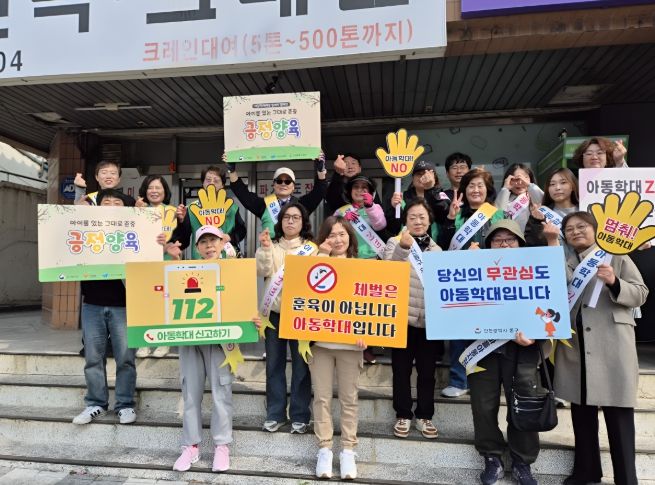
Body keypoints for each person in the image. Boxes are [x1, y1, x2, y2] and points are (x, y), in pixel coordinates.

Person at [555, 212, 648, 485]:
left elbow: (641, 293)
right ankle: (586, 471)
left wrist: (614, 282)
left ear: (595, 230)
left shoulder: (616, 256)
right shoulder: (565, 262)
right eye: (569, 229)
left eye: (581, 226)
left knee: (618, 414)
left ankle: (626, 478)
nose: (575, 232)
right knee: (581, 413)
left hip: (611, 345)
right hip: (576, 347)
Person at [169, 225, 261, 473]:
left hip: (222, 341)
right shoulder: (184, 270)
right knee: (190, 393)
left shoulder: (234, 271)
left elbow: (245, 303)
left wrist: (252, 319)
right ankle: (191, 446)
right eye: (204, 242)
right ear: (197, 247)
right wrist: (171, 259)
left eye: (214, 240)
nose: (209, 246)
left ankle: (222, 446)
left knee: (221, 393)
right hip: (190, 340)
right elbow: (165, 296)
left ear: (223, 243)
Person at [468, 219, 554, 485]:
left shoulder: (535, 269)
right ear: (489, 245)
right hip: (484, 351)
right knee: (482, 405)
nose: (504, 244)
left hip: (522, 350)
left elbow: (550, 305)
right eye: (497, 240)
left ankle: (522, 461)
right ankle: (491, 456)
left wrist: (537, 335)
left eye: (510, 239)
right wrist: (467, 263)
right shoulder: (475, 269)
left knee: (524, 403)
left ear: (520, 243)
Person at [438, 168, 505, 398]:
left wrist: (484, 255)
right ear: (464, 190)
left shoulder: (499, 215)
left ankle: (487, 381)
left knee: (488, 331)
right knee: (459, 332)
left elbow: (508, 244)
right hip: (460, 283)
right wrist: (450, 218)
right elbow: (442, 245)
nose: (475, 190)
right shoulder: (457, 213)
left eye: (480, 185)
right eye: (471, 186)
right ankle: (459, 380)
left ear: (488, 190)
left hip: (491, 281)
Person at [72, 188, 137, 427]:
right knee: (93, 357)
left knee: (126, 358)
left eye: (117, 202)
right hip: (92, 303)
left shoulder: (134, 231)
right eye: (106, 202)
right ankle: (95, 403)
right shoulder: (86, 230)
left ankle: (125, 404)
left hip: (124, 304)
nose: (111, 205)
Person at [311, 216, 367, 480]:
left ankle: (347, 451)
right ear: (324, 238)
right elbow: (302, 292)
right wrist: (320, 256)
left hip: (351, 346)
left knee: (349, 399)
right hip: (320, 344)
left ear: (350, 238)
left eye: (342, 234)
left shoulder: (361, 267)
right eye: (332, 234)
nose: (337, 240)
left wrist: (369, 333)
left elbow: (371, 306)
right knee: (321, 398)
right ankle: (324, 449)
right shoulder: (313, 263)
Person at [255, 202, 317, 434]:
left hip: (301, 315)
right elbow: (262, 271)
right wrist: (264, 249)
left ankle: (300, 415)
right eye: (286, 217)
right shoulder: (270, 246)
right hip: (274, 314)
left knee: (302, 366)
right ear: (280, 221)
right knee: (274, 365)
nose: (290, 221)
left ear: (303, 222)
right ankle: (275, 413)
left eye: (296, 217)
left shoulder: (312, 249)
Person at [383, 199, 442, 440]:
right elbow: (387, 273)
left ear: (429, 220)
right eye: (413, 217)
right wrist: (403, 249)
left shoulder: (437, 250)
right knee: (401, 370)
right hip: (403, 320)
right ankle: (403, 414)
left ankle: (425, 415)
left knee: (428, 372)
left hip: (429, 322)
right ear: (405, 221)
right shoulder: (395, 242)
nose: (418, 221)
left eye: (422, 217)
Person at [135, 175, 179, 358]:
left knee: (165, 303)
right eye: (150, 188)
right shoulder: (137, 210)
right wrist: (136, 213)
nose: (154, 191)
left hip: (166, 263)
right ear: (145, 191)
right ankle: (143, 342)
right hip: (143, 265)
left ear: (165, 191)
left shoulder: (173, 211)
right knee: (144, 302)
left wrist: (170, 246)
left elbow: (182, 237)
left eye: (158, 188)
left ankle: (164, 342)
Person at [227, 157, 328, 234]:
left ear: (293, 186)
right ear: (274, 185)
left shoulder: (301, 205)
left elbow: (319, 191)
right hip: (270, 251)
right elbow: (243, 194)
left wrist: (321, 171)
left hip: (294, 251)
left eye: (287, 181)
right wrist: (231, 171)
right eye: (279, 181)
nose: (283, 184)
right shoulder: (264, 204)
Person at [168, 165, 246, 258]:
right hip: (201, 262)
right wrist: (181, 222)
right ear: (203, 183)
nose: (212, 183)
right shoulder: (192, 209)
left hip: (228, 259)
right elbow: (182, 242)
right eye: (208, 180)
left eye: (216, 181)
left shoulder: (231, 207)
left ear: (222, 185)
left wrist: (229, 237)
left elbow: (242, 231)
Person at [386, 160, 450, 238]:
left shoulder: (440, 195)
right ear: (413, 178)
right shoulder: (402, 197)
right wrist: (393, 209)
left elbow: (446, 217)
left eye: (426, 174)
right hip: (407, 242)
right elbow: (392, 228)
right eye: (419, 174)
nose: (422, 177)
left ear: (434, 177)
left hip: (433, 242)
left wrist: (430, 189)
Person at [524, 167, 579, 257]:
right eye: (552, 184)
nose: (557, 188)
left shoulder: (586, 209)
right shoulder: (541, 214)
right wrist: (537, 223)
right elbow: (531, 248)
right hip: (555, 262)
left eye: (563, 183)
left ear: (572, 185)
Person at [335, 175, 387, 260]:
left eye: (364, 187)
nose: (359, 190)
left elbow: (380, 225)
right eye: (356, 187)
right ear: (350, 191)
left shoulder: (375, 207)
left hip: (371, 257)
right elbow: (332, 233)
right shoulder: (341, 211)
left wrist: (370, 207)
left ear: (370, 192)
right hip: (347, 257)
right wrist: (344, 221)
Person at [495, 163, 544, 232]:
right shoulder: (503, 198)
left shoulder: (534, 196)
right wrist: (505, 189)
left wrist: (529, 185)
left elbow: (545, 202)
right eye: (515, 179)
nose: (520, 182)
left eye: (524, 178)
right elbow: (497, 218)